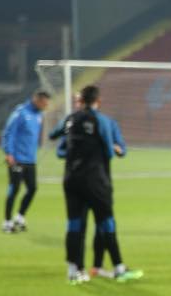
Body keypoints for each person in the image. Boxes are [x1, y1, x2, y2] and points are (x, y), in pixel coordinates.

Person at [55, 86, 135, 284]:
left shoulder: (70, 119)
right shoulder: (102, 121)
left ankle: (74, 270)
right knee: (106, 223)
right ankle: (118, 267)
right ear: (98, 100)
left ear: (81, 100)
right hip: (96, 180)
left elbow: (56, 140)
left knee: (74, 224)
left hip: (71, 179)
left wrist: (77, 152)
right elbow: (109, 151)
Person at [0, 90, 51, 232]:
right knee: (14, 189)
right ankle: (7, 222)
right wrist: (9, 153)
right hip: (17, 159)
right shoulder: (20, 112)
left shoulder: (39, 115)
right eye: (44, 104)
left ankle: (20, 216)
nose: (46, 107)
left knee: (32, 188)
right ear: (37, 100)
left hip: (30, 159)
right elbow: (9, 133)